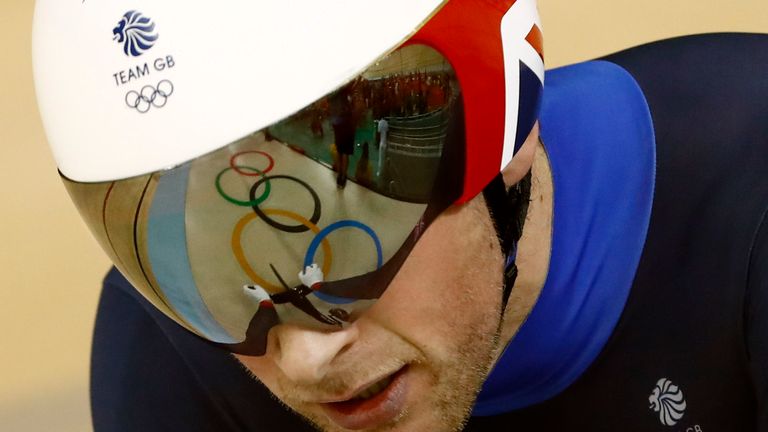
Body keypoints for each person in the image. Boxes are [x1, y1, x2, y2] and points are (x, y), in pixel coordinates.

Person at [31, 1, 768, 431]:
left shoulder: (749, 203)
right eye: (221, 275)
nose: (305, 357)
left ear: (507, 133)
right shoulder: (170, 354)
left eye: (345, 242)